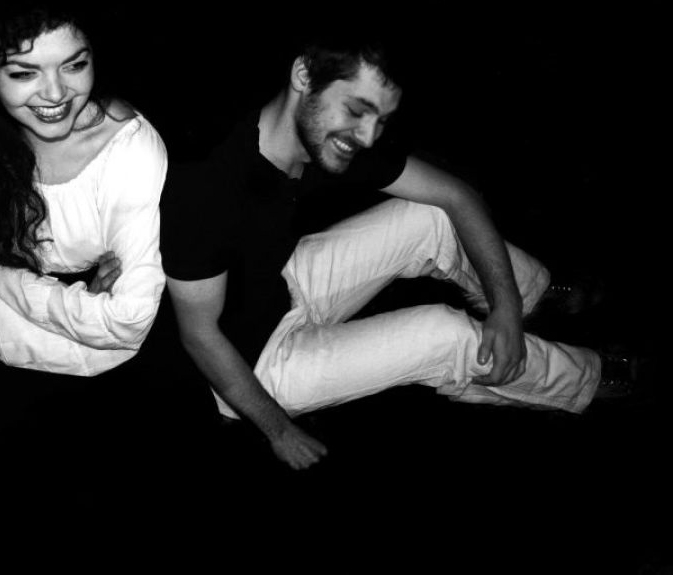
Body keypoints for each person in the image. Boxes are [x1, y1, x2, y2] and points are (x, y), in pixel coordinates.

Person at [161, 28, 621, 471]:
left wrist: (506, 306)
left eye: (380, 120)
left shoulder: (321, 133)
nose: (367, 136)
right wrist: (278, 431)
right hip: (250, 365)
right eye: (357, 110)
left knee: (431, 216)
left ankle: (530, 296)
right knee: (445, 335)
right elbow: (201, 337)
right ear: (304, 76)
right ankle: (589, 379)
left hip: (279, 282)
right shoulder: (208, 186)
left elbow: (456, 196)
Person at [0, 4, 167, 378]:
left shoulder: (128, 147)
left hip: (123, 375)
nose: (55, 93)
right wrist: (78, 314)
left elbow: (129, 321)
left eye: (75, 65)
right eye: (24, 73)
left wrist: (0, 277)